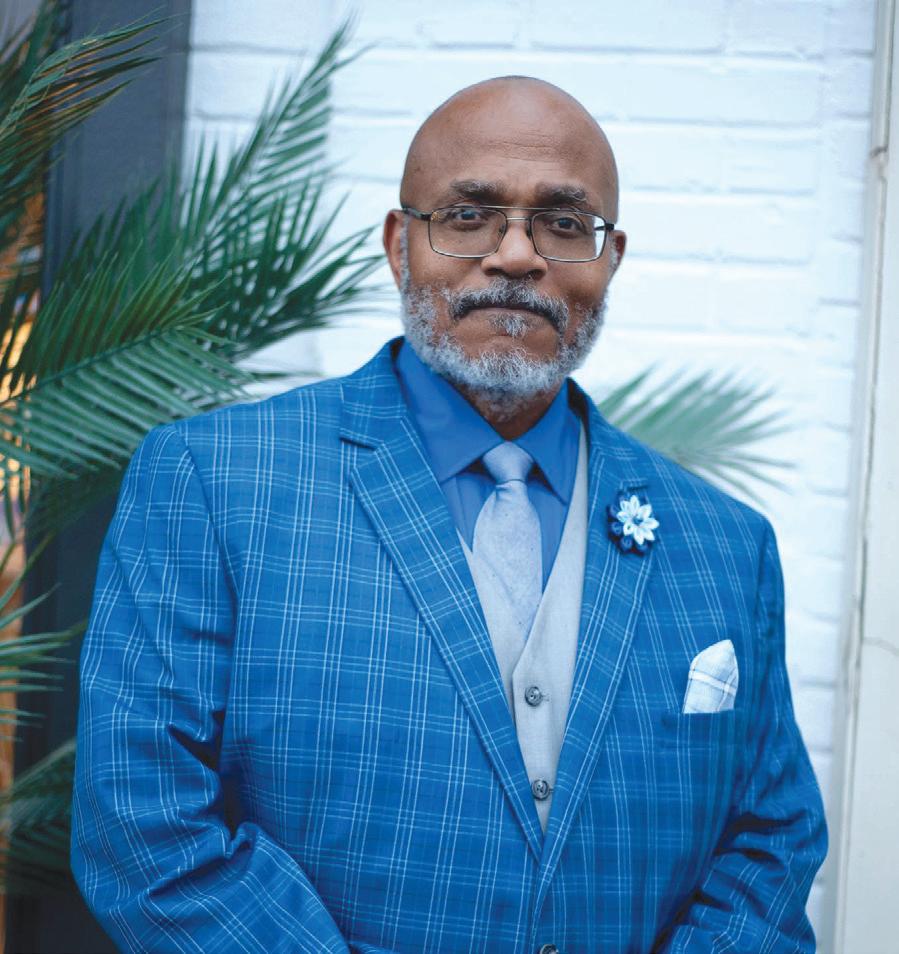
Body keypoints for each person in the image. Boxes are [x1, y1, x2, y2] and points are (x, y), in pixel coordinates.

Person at [72, 76, 827, 953]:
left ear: (610, 257)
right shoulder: (213, 481)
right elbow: (146, 829)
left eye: (562, 222)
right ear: (400, 245)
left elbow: (768, 844)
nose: (516, 255)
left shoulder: (729, 545)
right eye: (468, 216)